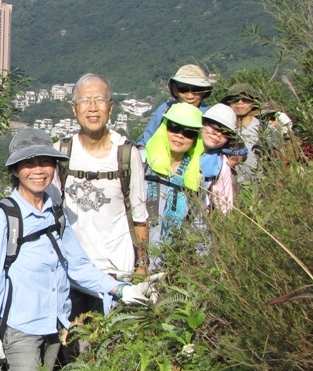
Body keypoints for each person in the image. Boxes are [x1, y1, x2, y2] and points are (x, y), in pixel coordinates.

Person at [0, 128, 157, 371]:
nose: (38, 170)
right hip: (20, 327)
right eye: (29, 163)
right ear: (15, 170)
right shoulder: (3, 219)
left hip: (55, 324)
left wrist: (120, 289)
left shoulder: (56, 213)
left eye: (45, 162)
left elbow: (77, 265)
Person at [60, 72, 149, 283]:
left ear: (110, 106)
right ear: (74, 108)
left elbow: (140, 217)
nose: (92, 107)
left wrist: (142, 266)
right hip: (73, 273)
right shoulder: (62, 153)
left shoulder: (126, 155)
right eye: (85, 100)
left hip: (118, 271)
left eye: (99, 100)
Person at [143, 103, 205, 250]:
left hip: (177, 255)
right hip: (139, 252)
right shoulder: (142, 163)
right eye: (174, 127)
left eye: (189, 132)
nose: (180, 135)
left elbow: (199, 222)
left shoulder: (196, 175)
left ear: (196, 139)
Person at [137, 64, 214, 150]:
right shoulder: (165, 109)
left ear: (204, 91)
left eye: (196, 90)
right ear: (175, 90)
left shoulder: (210, 116)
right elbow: (145, 142)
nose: (190, 96)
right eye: (183, 89)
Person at [197, 103, 238, 212]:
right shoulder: (182, 146)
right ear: (203, 124)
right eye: (215, 127)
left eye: (226, 132)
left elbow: (225, 206)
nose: (218, 134)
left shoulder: (221, 164)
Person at [220, 83, 262, 184]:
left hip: (258, 186)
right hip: (228, 186)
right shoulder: (222, 130)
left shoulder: (263, 129)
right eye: (235, 99)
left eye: (245, 99)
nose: (240, 103)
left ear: (253, 102)